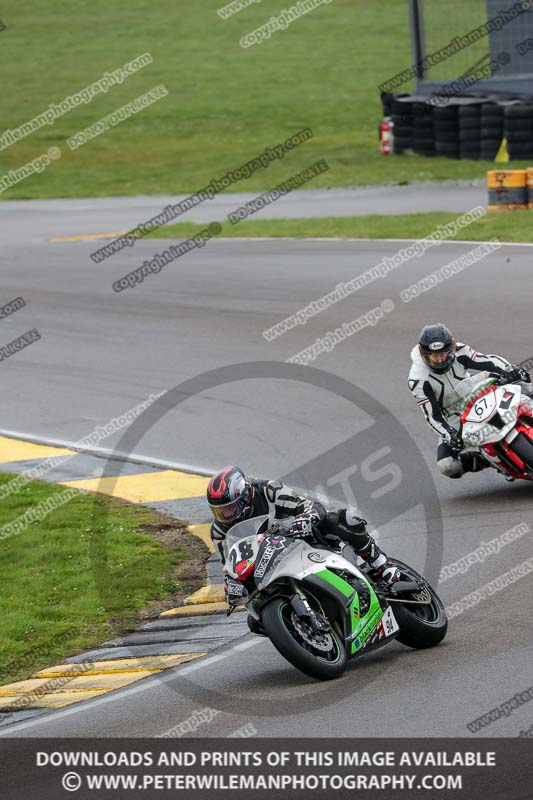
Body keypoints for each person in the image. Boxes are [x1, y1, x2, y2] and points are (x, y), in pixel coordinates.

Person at [206, 465, 401, 586]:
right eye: (220, 510)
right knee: (255, 621)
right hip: (268, 567)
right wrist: (232, 584)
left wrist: (306, 518)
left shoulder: (268, 491)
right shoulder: (219, 531)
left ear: (244, 496)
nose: (225, 514)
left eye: (230, 508)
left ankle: (380, 562)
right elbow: (229, 565)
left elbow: (310, 506)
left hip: (302, 540)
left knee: (342, 519)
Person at [409, 323, 532, 479]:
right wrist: (449, 433)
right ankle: (485, 460)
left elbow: (489, 361)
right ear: (424, 355)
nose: (440, 360)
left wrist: (510, 370)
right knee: (447, 465)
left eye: (443, 354)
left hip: (474, 391)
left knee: (520, 380)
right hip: (452, 417)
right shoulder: (418, 380)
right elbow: (432, 416)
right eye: (434, 356)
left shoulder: (460, 351)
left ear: (451, 349)